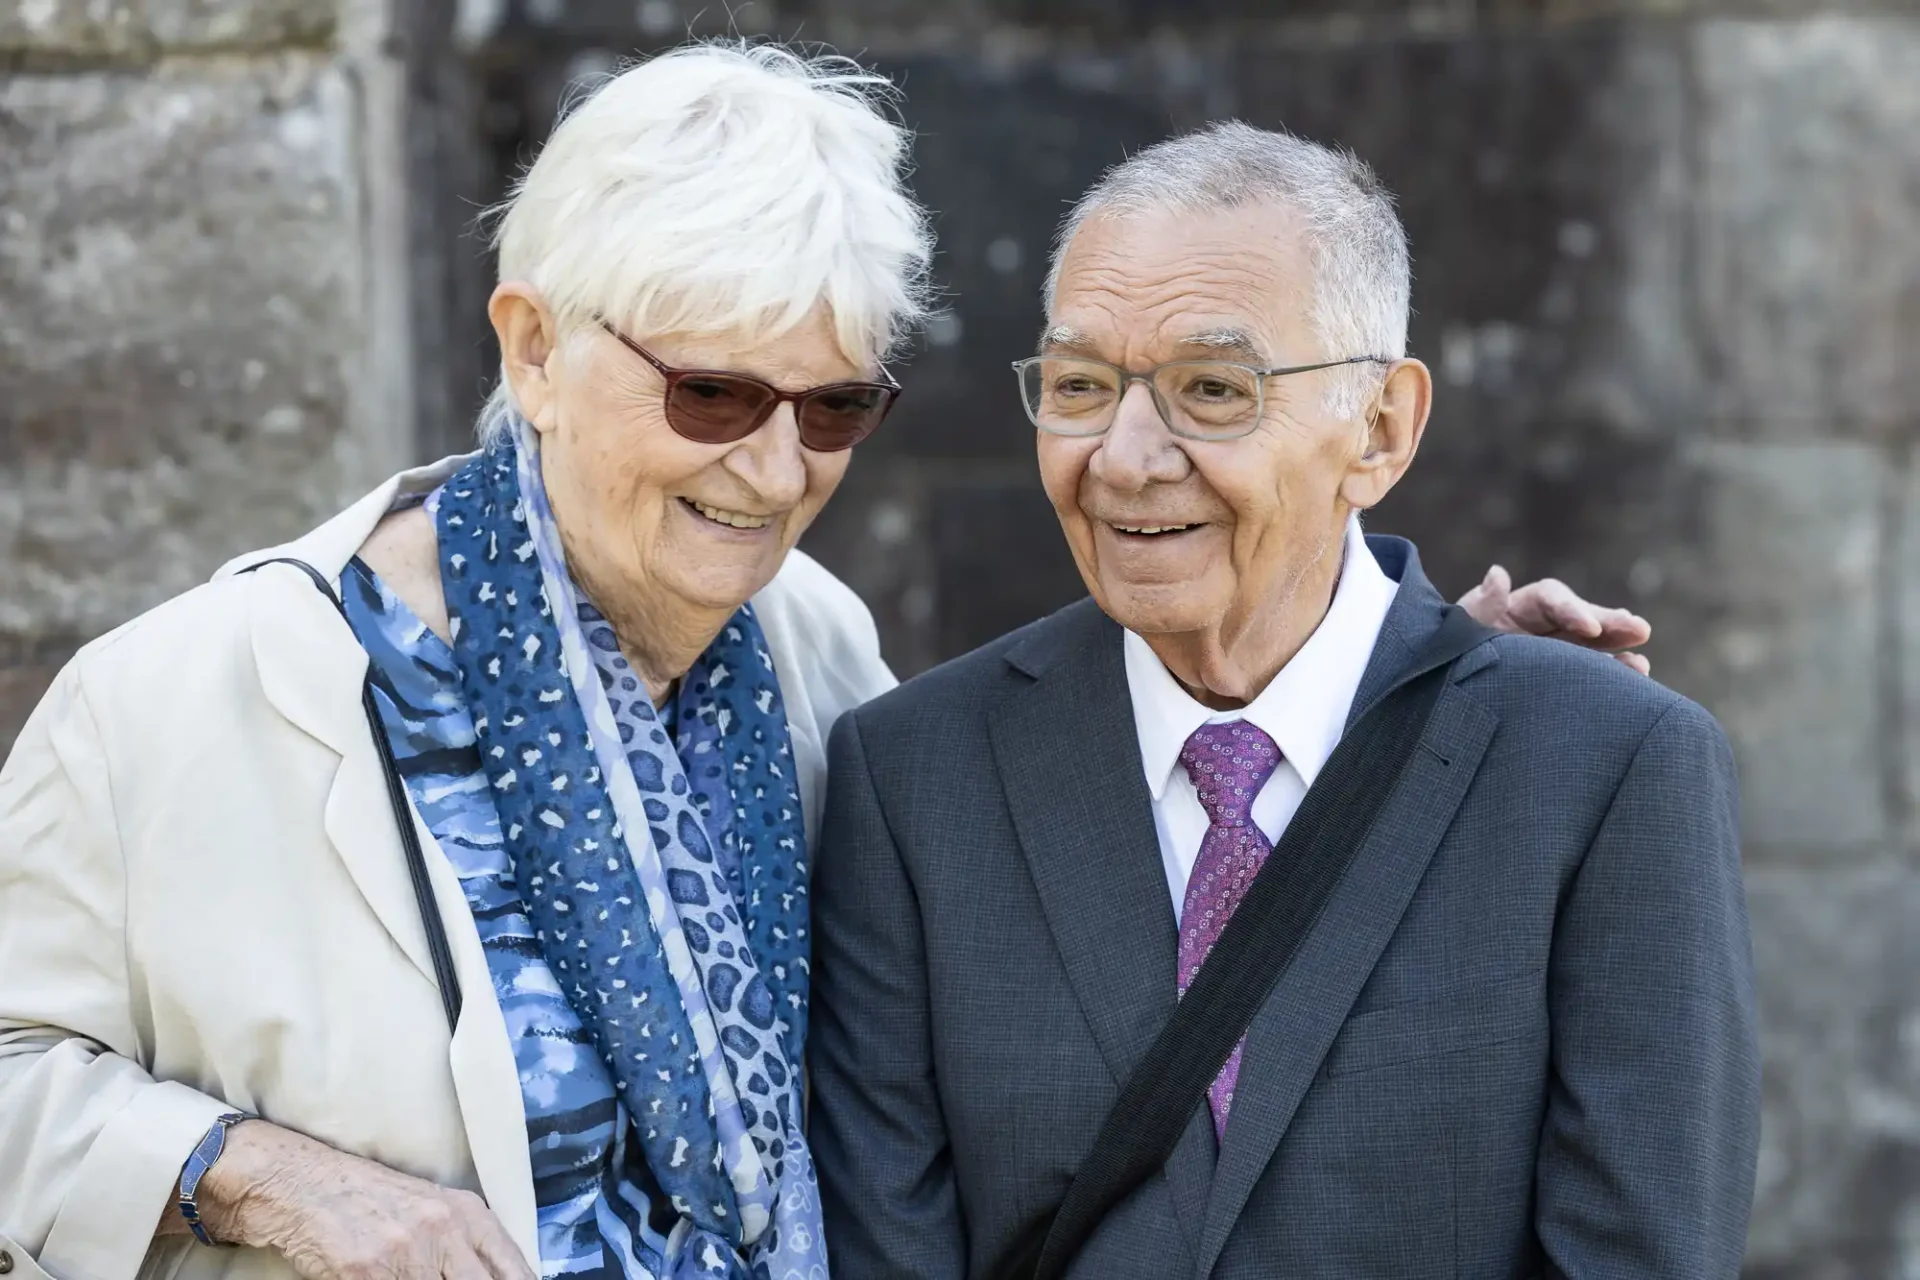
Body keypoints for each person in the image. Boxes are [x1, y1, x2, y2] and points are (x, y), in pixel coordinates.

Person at [0, 41, 1648, 1280]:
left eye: (834, 407)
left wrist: (1390, 692)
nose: (772, 474)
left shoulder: (810, 645)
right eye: (711, 395)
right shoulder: (191, 696)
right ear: (532, 349)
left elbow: (1036, 902)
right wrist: (256, 1171)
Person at [807, 122, 1759, 1278]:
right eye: (1079, 385)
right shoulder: (915, 777)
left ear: (1380, 430)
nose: (1123, 455)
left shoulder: (1602, 768)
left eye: (1213, 389)